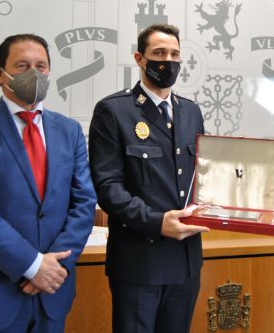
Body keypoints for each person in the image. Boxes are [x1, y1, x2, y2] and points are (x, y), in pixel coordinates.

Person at [0, 34, 96, 333]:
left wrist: (54, 267)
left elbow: (84, 203)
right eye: (22, 65)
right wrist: (32, 265)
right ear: (0, 74)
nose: (34, 74)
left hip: (53, 289)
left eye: (41, 66)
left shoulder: (69, 130)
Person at [89, 24, 209, 333]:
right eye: (159, 53)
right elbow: (107, 188)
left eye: (174, 54)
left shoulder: (191, 112)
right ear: (140, 58)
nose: (167, 61)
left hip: (185, 262)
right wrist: (157, 222)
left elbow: (203, 178)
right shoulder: (114, 111)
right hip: (139, 261)